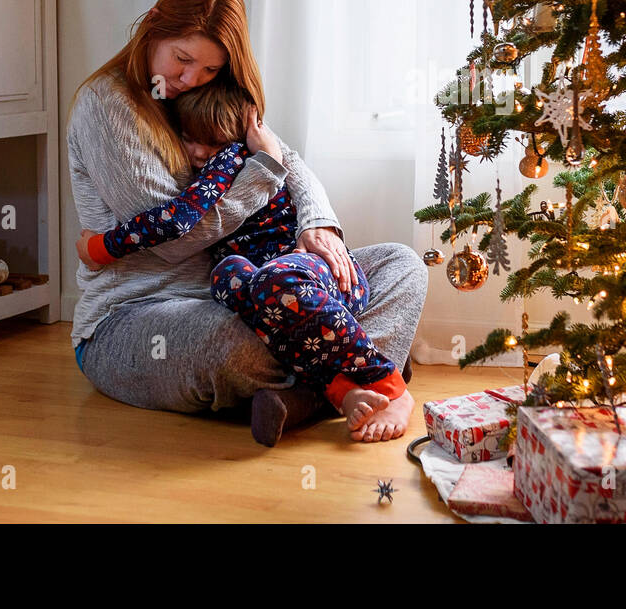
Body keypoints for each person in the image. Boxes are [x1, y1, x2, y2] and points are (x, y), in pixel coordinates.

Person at [68, 0, 424, 444]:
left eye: (210, 69)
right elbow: (174, 241)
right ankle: (361, 369)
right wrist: (261, 174)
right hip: (140, 314)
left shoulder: (203, 95)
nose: (190, 79)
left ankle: (309, 393)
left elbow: (284, 157)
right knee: (240, 345)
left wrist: (320, 225)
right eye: (183, 58)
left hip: (249, 290)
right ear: (153, 24)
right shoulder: (109, 106)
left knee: (403, 266)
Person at [75, 84, 406, 432]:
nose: (200, 152)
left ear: (242, 135)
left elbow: (176, 221)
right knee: (226, 275)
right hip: (271, 295)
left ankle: (387, 385)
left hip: (308, 278)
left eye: (212, 143)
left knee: (306, 275)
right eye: (189, 138)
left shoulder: (231, 158)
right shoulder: (212, 149)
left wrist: (100, 247)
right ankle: (338, 385)